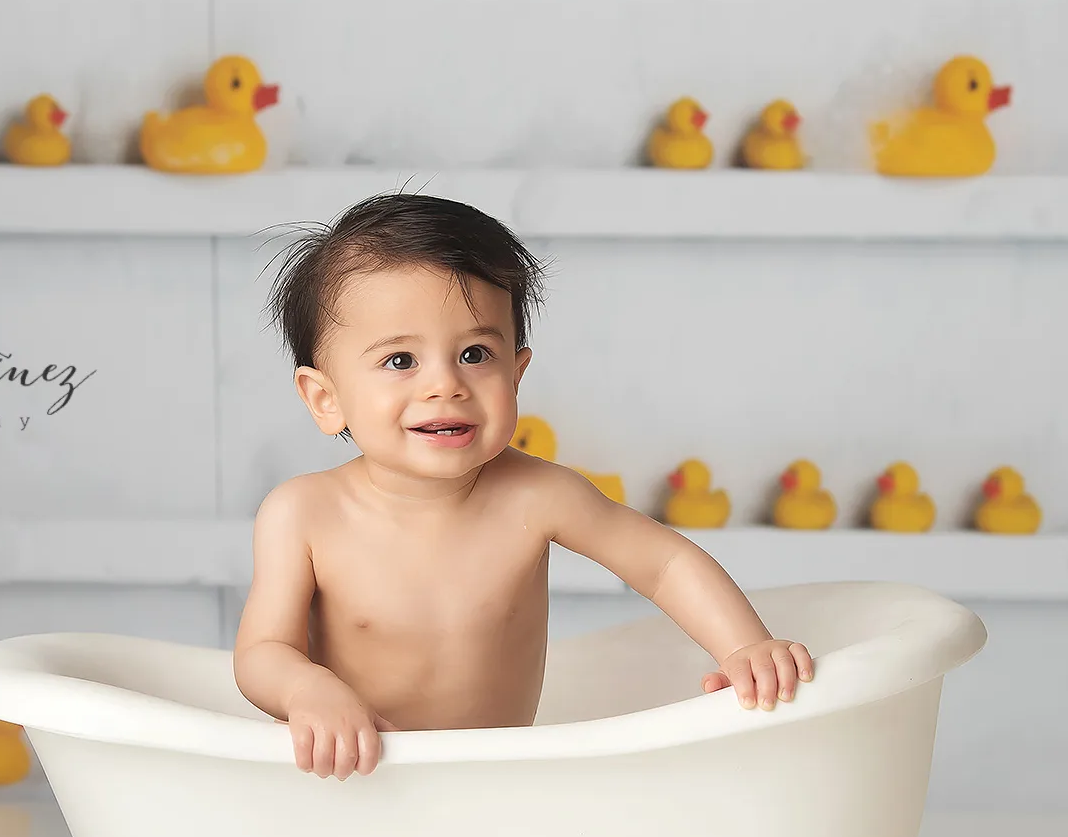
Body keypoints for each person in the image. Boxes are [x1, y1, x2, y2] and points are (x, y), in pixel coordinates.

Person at [234, 193, 812, 778]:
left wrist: (743, 648)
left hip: (501, 781)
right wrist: (308, 691)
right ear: (325, 398)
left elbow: (663, 564)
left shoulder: (538, 497)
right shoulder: (303, 514)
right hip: (351, 776)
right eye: (401, 361)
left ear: (517, 371)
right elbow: (263, 652)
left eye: (474, 353)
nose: (446, 385)